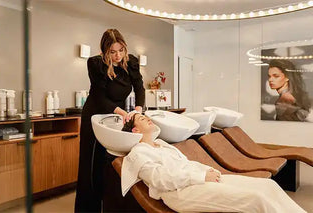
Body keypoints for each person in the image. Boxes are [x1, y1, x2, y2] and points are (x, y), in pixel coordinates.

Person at [121, 113, 306, 213]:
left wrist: (206, 172)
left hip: (196, 180)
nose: (147, 118)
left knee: (268, 185)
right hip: (179, 192)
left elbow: (186, 164)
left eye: (146, 116)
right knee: (256, 200)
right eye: (142, 119)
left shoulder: (161, 145)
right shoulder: (139, 153)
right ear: (135, 129)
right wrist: (201, 176)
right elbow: (161, 180)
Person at [74, 29, 145, 212]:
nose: (118, 55)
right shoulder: (95, 64)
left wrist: (137, 111)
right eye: (112, 52)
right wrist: (123, 113)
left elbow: (139, 88)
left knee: (111, 161)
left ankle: (109, 206)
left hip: (116, 116)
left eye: (120, 50)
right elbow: (99, 97)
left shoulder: (131, 63)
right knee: (92, 163)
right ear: (105, 51)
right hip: (96, 113)